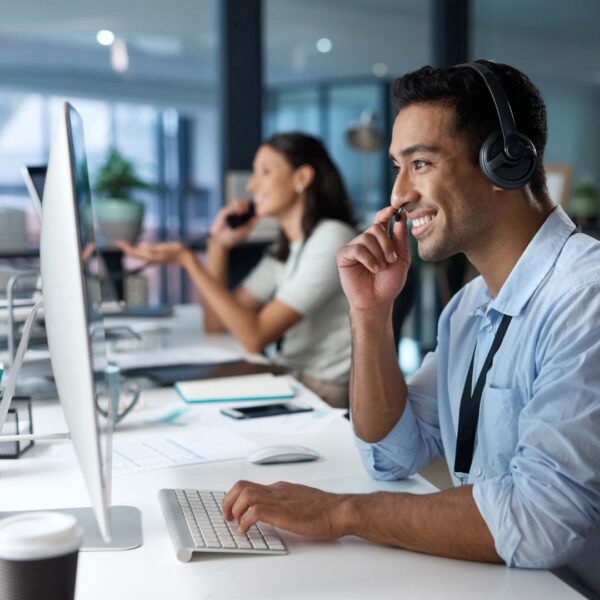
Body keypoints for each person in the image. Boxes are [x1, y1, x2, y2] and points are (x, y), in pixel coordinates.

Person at [222, 61, 600, 593]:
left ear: (504, 164)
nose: (398, 193)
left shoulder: (585, 300)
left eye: (420, 163)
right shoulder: (469, 308)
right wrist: (371, 314)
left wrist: (342, 514)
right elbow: (391, 453)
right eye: (398, 166)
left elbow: (540, 520)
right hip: (495, 579)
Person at [119, 133, 356, 407]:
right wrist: (218, 246)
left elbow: (254, 336)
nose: (253, 186)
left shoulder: (331, 239)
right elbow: (217, 324)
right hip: (290, 377)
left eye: (265, 172)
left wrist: (188, 260)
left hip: (321, 391)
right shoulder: (287, 247)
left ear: (301, 178)